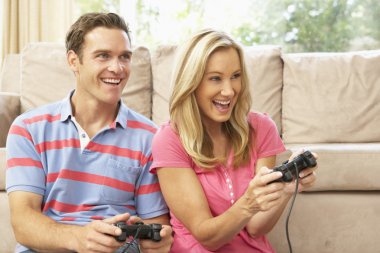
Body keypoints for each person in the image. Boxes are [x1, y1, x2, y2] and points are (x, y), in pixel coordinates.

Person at [6, 13, 172, 253]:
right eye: (103, 55)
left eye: (124, 57)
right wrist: (78, 238)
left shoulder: (149, 137)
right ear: (74, 61)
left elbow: (156, 223)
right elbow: (23, 223)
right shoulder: (29, 128)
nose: (117, 68)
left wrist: (156, 241)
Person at [150, 29, 317, 252]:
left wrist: (286, 188)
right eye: (215, 78)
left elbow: (256, 228)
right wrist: (247, 203)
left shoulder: (261, 128)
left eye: (236, 76)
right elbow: (206, 235)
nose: (229, 91)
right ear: (192, 82)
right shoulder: (169, 140)